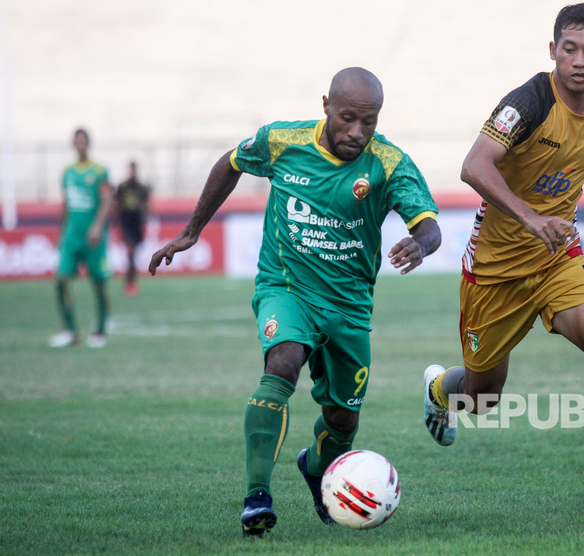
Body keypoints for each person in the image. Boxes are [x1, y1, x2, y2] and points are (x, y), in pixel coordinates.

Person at [149, 67, 441, 536]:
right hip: (286, 289)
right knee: (282, 362)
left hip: (348, 306)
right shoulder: (283, 142)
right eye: (347, 118)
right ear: (325, 104)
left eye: (369, 122)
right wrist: (191, 231)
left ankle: (315, 467)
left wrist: (421, 244)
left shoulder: (388, 163)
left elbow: (428, 225)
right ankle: (256, 495)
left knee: (343, 419)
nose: (357, 132)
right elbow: (229, 162)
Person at [422, 4, 584, 517]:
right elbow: (473, 166)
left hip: (556, 259)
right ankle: (437, 390)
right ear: (552, 51)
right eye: (569, 49)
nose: (579, 60)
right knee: (482, 398)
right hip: (494, 272)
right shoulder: (529, 101)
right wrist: (529, 218)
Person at [48, 128, 113, 349]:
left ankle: (100, 331)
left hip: (93, 237)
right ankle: (70, 331)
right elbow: (66, 204)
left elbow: (107, 201)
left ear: (89, 144)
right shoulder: (67, 172)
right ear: (73, 144)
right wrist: (60, 231)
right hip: (72, 236)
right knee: (61, 279)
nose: (80, 145)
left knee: (98, 284)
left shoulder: (100, 171)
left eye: (84, 141)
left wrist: (97, 226)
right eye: (77, 141)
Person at [115, 161, 150, 296]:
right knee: (130, 252)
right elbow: (117, 204)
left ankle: (131, 281)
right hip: (126, 222)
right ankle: (130, 282)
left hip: (137, 223)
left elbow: (146, 204)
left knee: (133, 253)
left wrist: (148, 218)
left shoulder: (141, 188)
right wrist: (116, 223)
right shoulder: (122, 187)